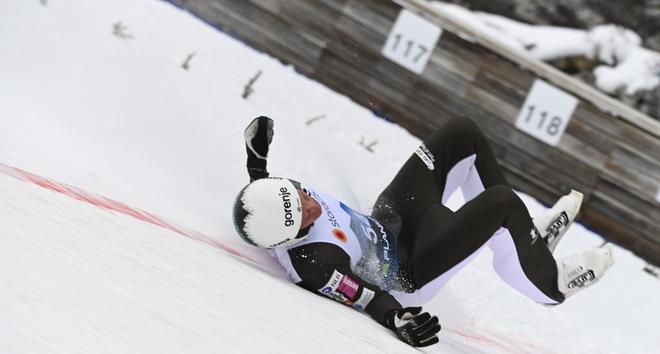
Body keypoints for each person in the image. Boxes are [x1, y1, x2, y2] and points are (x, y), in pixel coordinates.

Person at [232, 116, 615, 348]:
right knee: (501, 203)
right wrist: (398, 321)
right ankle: (550, 283)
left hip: (391, 219)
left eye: (298, 194)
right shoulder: (315, 263)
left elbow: (266, 193)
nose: (309, 201)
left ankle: (528, 242)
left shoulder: (277, 203)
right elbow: (367, 298)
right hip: (412, 266)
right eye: (303, 213)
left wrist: (257, 160)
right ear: (289, 236)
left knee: (461, 134)